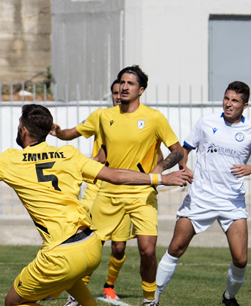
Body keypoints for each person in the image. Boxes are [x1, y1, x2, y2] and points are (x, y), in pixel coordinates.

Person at [0, 104, 191, 306]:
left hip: (61, 252)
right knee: (70, 281)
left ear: (23, 130)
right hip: (92, 245)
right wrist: (160, 178)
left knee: (13, 301)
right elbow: (116, 175)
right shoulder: (68, 153)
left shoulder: (11, 160)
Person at [155, 81, 251, 306]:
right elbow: (184, 150)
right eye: (226, 98)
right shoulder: (207, 122)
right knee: (175, 248)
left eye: (235, 101)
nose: (228, 104)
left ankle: (229, 297)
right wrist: (184, 167)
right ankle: (154, 298)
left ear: (245, 105)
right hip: (200, 198)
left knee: (241, 259)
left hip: (232, 202)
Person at [78, 65, 184, 306]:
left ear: (141, 90)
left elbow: (177, 150)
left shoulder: (154, 118)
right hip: (109, 192)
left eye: (131, 84)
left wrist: (160, 169)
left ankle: (149, 300)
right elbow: (104, 154)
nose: (124, 87)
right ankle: (76, 297)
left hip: (142, 193)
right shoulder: (106, 117)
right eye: (122, 82)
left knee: (147, 250)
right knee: (90, 251)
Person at [51, 80, 133, 301]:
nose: (118, 96)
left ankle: (109, 286)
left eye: (121, 92)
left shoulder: (140, 120)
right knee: (87, 240)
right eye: (114, 92)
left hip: (124, 189)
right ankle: (75, 291)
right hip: (98, 188)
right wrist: (59, 133)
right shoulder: (101, 117)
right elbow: (71, 133)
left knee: (119, 246)